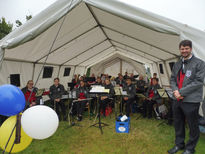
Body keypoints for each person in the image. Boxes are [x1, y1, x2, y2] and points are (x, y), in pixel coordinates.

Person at [168, 40, 205, 154]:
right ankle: (179, 144)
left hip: (191, 100)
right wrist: (175, 91)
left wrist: (181, 92)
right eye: (182, 49)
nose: (184, 51)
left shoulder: (200, 63)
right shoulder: (178, 63)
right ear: (180, 50)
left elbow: (198, 82)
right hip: (177, 99)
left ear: (191, 49)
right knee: (178, 123)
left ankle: (190, 148)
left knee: (192, 125)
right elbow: (173, 78)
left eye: (186, 49)